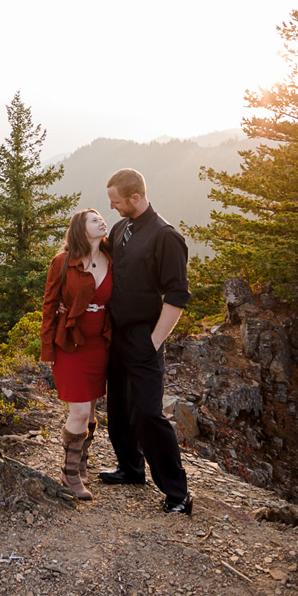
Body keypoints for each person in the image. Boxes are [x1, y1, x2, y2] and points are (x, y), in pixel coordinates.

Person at [99, 167, 193, 515]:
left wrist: (154, 341)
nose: (112, 208)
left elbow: (177, 295)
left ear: (135, 198)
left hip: (144, 336)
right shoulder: (122, 228)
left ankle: (177, 493)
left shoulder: (165, 236)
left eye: (116, 201)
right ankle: (131, 468)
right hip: (117, 333)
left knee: (149, 414)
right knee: (119, 408)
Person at [40, 208, 112, 500]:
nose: (102, 221)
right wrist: (47, 350)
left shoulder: (113, 259)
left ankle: (81, 463)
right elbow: (49, 305)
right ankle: (69, 474)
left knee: (91, 409)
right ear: (81, 230)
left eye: (102, 218)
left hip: (100, 345)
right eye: (94, 220)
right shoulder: (62, 263)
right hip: (69, 344)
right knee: (79, 411)